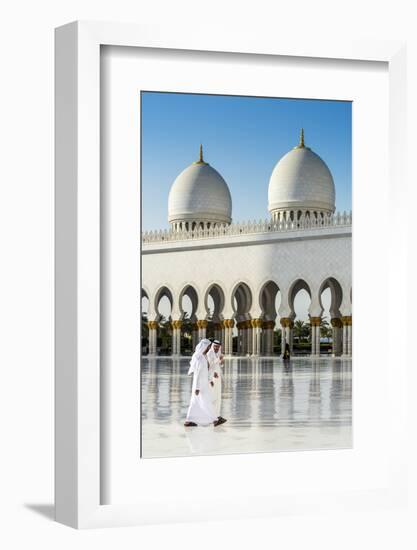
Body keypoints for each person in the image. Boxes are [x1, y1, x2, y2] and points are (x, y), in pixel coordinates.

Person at [184, 339, 226, 427]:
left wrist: (209, 379)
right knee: (205, 402)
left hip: (203, 383)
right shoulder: (200, 359)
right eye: (207, 347)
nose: (208, 348)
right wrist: (197, 387)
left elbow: (206, 370)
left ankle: (189, 421)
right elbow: (198, 374)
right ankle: (215, 420)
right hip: (200, 385)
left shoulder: (203, 357)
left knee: (198, 402)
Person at [207, 339, 227, 424]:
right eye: (215, 346)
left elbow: (220, 365)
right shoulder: (209, 353)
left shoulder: (218, 353)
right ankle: (211, 416)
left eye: (218, 347)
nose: (216, 348)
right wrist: (219, 359)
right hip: (212, 377)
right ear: (212, 346)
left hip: (218, 377)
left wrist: (222, 361)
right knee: (213, 397)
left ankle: (217, 415)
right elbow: (210, 364)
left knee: (218, 397)